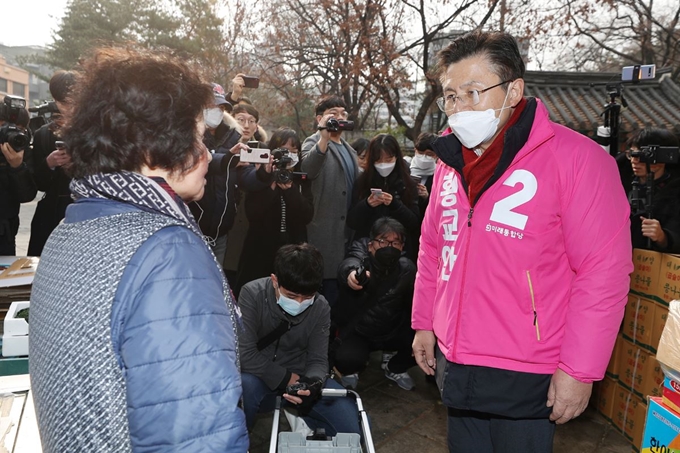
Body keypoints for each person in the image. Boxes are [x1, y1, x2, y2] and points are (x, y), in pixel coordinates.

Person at [411, 31, 632, 452]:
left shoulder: (579, 161)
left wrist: (579, 370)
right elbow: (433, 248)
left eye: (473, 93)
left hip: (529, 368)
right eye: (451, 96)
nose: (459, 109)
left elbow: (603, 273)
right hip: (455, 358)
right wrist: (425, 322)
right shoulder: (451, 164)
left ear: (513, 90)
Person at [29, 47, 248, 452]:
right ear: (151, 149)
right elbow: (196, 436)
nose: (206, 156)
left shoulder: (72, 225)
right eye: (197, 139)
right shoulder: (167, 251)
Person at [238, 243, 361, 437]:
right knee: (242, 387)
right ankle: (236, 441)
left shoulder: (321, 307)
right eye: (292, 296)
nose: (299, 303)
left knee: (356, 428)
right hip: (260, 378)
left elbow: (318, 359)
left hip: (300, 380)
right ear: (274, 280)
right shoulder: (252, 294)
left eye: (308, 297)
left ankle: (305, 419)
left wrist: (312, 384)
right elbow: (245, 355)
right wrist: (287, 379)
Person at [333, 217, 417, 391]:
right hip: (360, 331)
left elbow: (413, 305)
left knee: (427, 343)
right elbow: (350, 263)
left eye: (395, 243)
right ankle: (354, 367)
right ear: (371, 244)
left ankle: (393, 367)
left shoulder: (406, 269)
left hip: (390, 329)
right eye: (383, 241)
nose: (389, 247)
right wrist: (351, 275)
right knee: (347, 359)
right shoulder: (362, 256)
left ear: (402, 247)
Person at [189, 84, 268, 266]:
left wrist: (264, 173)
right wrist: (227, 159)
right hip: (193, 229)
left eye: (221, 108)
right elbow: (204, 159)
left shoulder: (234, 137)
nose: (217, 112)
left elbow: (245, 178)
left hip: (221, 232)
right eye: (211, 107)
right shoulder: (190, 136)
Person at [234, 128, 314, 296]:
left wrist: (290, 190)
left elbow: (306, 215)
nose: (289, 156)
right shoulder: (260, 177)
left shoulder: (301, 179)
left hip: (293, 250)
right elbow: (253, 214)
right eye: (284, 151)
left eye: (294, 152)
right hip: (260, 250)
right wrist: (270, 186)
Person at [301, 95, 359, 306]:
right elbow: (308, 170)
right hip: (322, 232)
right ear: (320, 119)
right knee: (318, 294)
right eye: (333, 114)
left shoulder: (351, 151)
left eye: (343, 114)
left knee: (339, 296)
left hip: (346, 234)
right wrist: (323, 138)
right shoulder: (312, 142)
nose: (340, 118)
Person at [346, 133, 419, 261]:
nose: (384, 164)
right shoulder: (362, 182)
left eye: (388, 159)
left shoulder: (408, 184)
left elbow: (414, 222)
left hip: (400, 252)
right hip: (368, 250)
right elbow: (352, 221)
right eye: (379, 160)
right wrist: (367, 205)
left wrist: (394, 204)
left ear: (397, 157)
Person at [27, 70, 76, 256]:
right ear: (55, 101)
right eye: (63, 103)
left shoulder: (96, 132)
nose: (69, 108)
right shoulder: (43, 134)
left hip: (84, 210)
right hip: (51, 212)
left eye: (73, 102)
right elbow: (39, 184)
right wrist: (48, 163)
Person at [626, 127, 680, 252]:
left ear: (662, 159)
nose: (634, 161)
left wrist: (663, 238)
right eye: (631, 154)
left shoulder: (675, 192)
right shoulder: (618, 182)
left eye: (640, 156)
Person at [0, 100, 36, 255]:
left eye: (18, 130)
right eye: (5, 128)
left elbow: (27, 195)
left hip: (5, 233)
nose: (11, 134)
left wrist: (17, 167)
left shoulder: (21, 148)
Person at [410, 132, 438, 218]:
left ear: (436, 155)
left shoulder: (439, 176)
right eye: (421, 153)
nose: (424, 158)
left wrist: (427, 197)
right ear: (415, 150)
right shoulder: (405, 170)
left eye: (429, 154)